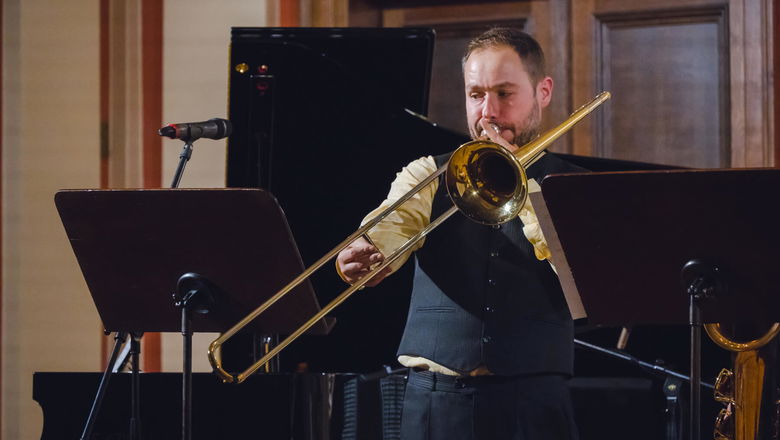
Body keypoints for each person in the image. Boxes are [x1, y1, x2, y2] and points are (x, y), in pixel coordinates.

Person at [336, 28, 584, 440]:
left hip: (535, 401)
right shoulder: (428, 173)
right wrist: (367, 251)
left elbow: (581, 278)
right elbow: (390, 226)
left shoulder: (574, 187)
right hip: (434, 400)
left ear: (543, 92)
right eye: (476, 94)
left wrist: (523, 188)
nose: (488, 112)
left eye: (504, 93)